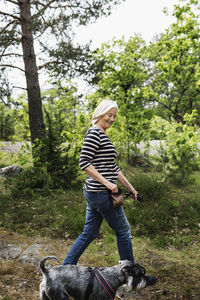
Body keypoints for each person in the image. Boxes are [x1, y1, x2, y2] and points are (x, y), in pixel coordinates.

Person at [62, 100, 156, 287]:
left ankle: (64, 270)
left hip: (97, 192)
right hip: (100, 193)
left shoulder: (103, 134)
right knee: (123, 230)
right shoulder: (94, 133)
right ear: (100, 113)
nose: (112, 119)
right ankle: (133, 277)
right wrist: (107, 183)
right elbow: (84, 163)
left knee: (90, 232)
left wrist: (130, 188)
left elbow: (113, 167)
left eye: (114, 116)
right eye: (109, 115)